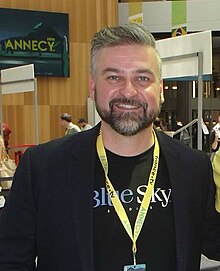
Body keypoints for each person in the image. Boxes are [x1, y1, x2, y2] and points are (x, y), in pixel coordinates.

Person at [0, 24, 219, 271]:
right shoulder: (42, 167)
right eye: (114, 77)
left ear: (160, 89)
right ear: (93, 87)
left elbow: (214, 243)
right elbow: (11, 260)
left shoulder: (194, 167)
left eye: (142, 78)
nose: (128, 90)